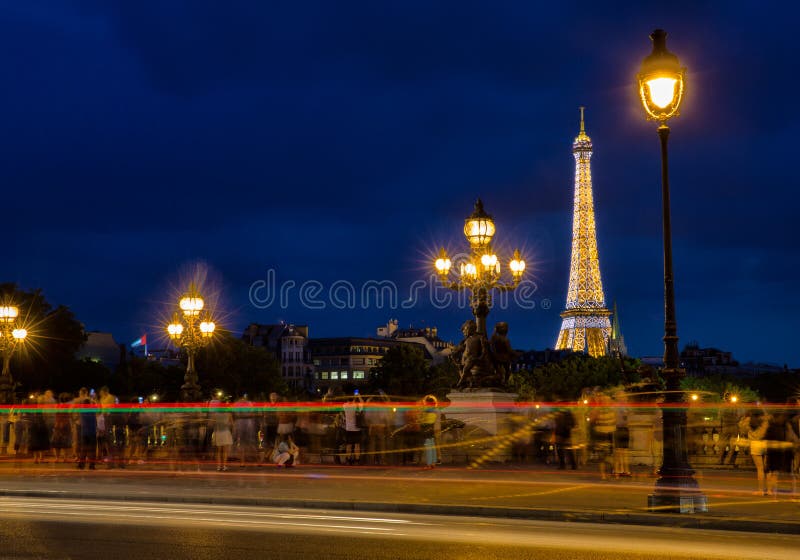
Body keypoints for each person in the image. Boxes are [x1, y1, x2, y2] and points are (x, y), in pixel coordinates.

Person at [747, 409, 769, 496]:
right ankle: (769, 490)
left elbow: (742, 429)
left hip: (755, 444)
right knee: (767, 468)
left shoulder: (750, 421)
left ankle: (761, 490)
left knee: (760, 469)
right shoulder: (765, 422)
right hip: (765, 443)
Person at [210, 399, 233, 471]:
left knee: (218, 451)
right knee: (225, 451)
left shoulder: (214, 414)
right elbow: (232, 424)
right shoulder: (229, 414)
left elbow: (211, 424)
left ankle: (218, 466)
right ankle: (224, 466)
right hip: (226, 433)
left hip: (218, 433)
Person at [342, 395, 364, 465]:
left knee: (349, 445)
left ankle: (348, 460)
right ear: (354, 398)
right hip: (357, 429)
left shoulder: (345, 405)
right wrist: (359, 396)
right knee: (357, 445)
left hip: (348, 428)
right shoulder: (356, 405)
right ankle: (357, 460)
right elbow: (363, 403)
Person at [553, 405, 577, 470]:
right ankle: (572, 465)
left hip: (561, 433)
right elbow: (573, 423)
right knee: (568, 449)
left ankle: (563, 465)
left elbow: (556, 423)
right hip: (565, 433)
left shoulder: (559, 413)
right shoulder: (569, 413)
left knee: (561, 449)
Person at [420, 396, 438, 469]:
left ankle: (429, 464)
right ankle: (433, 463)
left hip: (426, 429)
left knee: (428, 448)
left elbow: (422, 420)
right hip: (432, 428)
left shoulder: (427, 410)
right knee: (433, 446)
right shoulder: (435, 410)